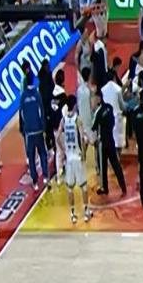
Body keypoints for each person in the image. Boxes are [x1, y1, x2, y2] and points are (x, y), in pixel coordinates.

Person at [57, 95, 93, 224]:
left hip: (69, 157)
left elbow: (57, 137)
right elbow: (83, 138)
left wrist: (63, 151)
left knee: (70, 188)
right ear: (75, 105)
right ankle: (86, 212)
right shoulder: (78, 119)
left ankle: (72, 214)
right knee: (83, 186)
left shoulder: (63, 120)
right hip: (77, 156)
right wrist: (84, 153)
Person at [92, 89, 127, 196]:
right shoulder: (109, 107)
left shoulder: (98, 112)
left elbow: (93, 127)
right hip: (110, 139)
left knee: (103, 166)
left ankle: (104, 187)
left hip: (102, 142)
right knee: (116, 164)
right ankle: (123, 186)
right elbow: (112, 122)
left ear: (98, 98)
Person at [19, 72, 49, 191]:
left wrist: (23, 128)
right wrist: (43, 127)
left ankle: (35, 182)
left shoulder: (23, 97)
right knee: (42, 153)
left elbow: (21, 114)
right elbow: (41, 111)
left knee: (31, 157)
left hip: (29, 132)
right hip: (38, 130)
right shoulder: (37, 94)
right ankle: (45, 176)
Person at [101, 70, 127, 155]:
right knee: (118, 142)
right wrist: (126, 108)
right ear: (114, 77)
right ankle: (117, 158)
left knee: (109, 140)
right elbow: (122, 105)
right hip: (117, 117)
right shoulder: (118, 89)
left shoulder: (103, 89)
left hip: (106, 117)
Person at [77, 67, 97, 172]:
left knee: (83, 144)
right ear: (89, 76)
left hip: (81, 119)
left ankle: (82, 164)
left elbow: (77, 105)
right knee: (95, 143)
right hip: (90, 120)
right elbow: (93, 106)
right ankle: (98, 166)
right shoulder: (90, 91)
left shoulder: (78, 90)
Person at [51, 69, 67, 182]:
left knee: (58, 152)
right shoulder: (63, 97)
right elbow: (64, 113)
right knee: (66, 151)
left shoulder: (52, 94)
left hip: (54, 128)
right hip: (62, 129)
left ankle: (59, 176)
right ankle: (68, 174)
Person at [38, 59, 55, 152]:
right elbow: (47, 92)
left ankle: (49, 144)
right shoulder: (45, 79)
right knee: (49, 126)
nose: (49, 67)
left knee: (48, 126)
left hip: (47, 106)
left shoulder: (45, 77)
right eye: (48, 66)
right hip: (47, 106)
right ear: (45, 67)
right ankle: (50, 144)